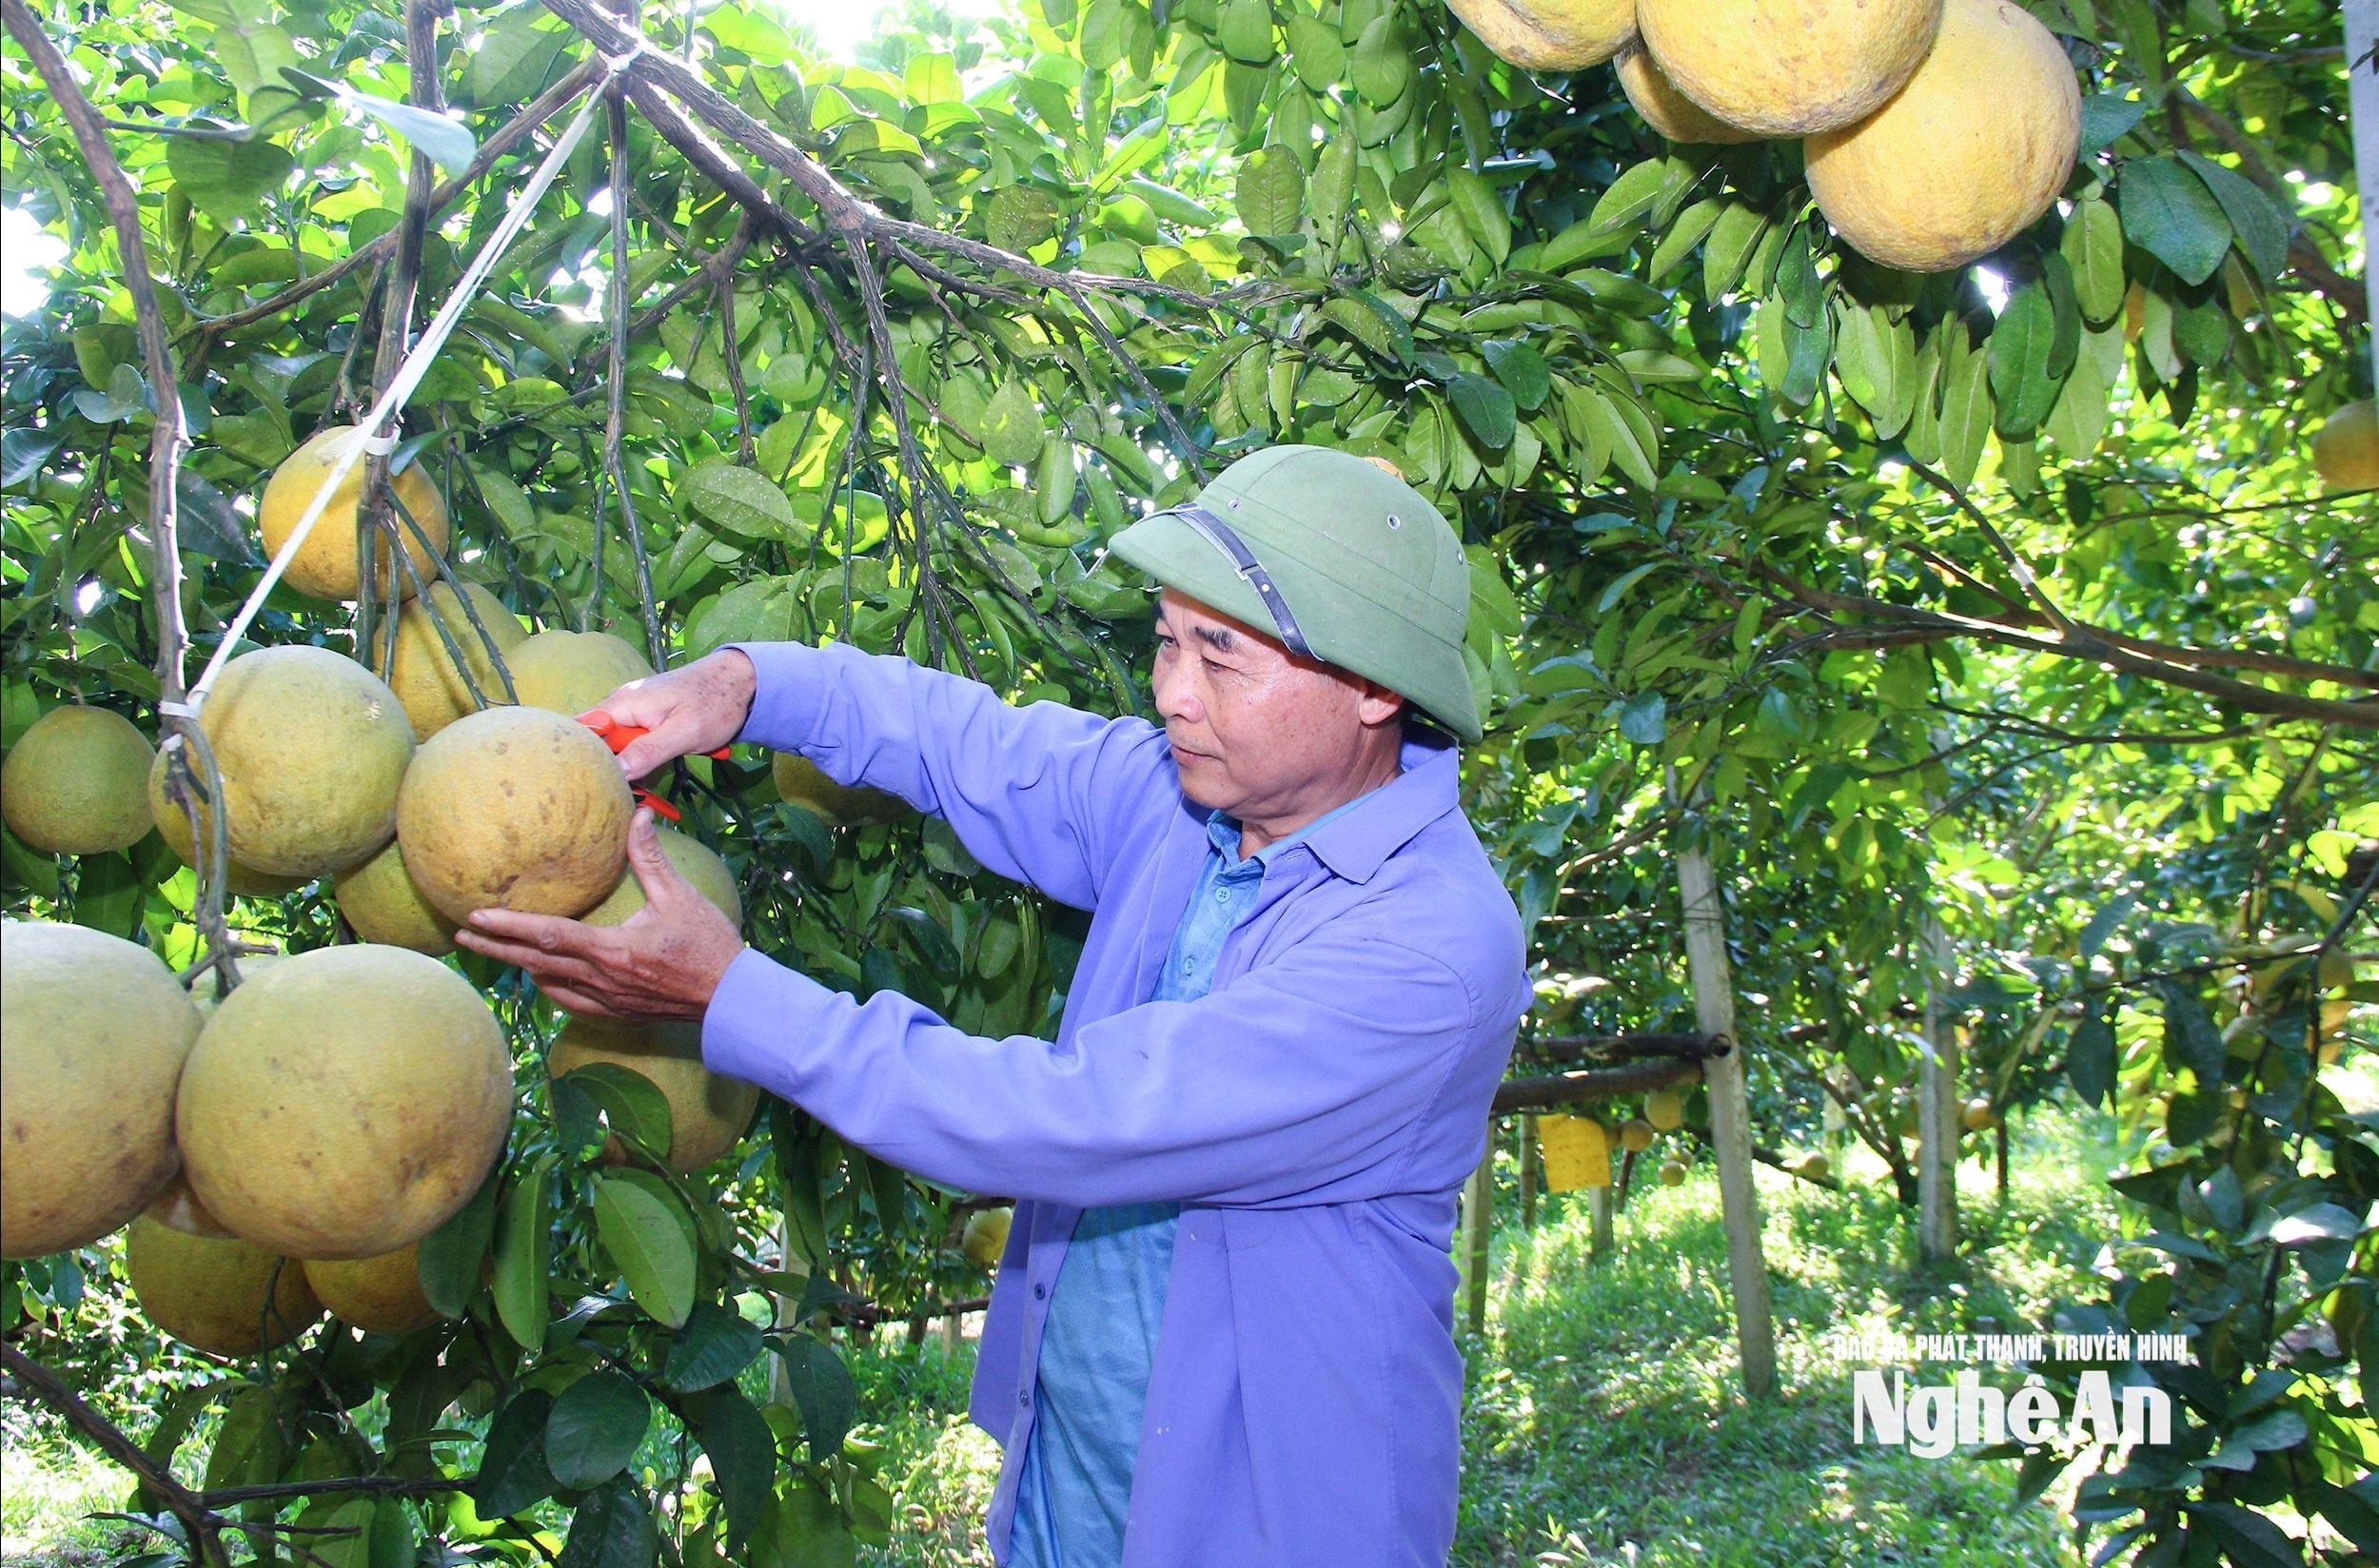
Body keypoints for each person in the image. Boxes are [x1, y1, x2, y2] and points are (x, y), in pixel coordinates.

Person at [457, 444, 1530, 1566]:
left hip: (1269, 1508)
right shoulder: (1183, 803)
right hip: (1073, 1468)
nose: (1172, 692)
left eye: (1221, 655)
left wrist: (731, 995)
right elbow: (971, 742)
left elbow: (1074, 1118)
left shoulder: (1427, 949)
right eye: (1165, 639)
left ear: (1371, 688)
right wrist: (746, 684)